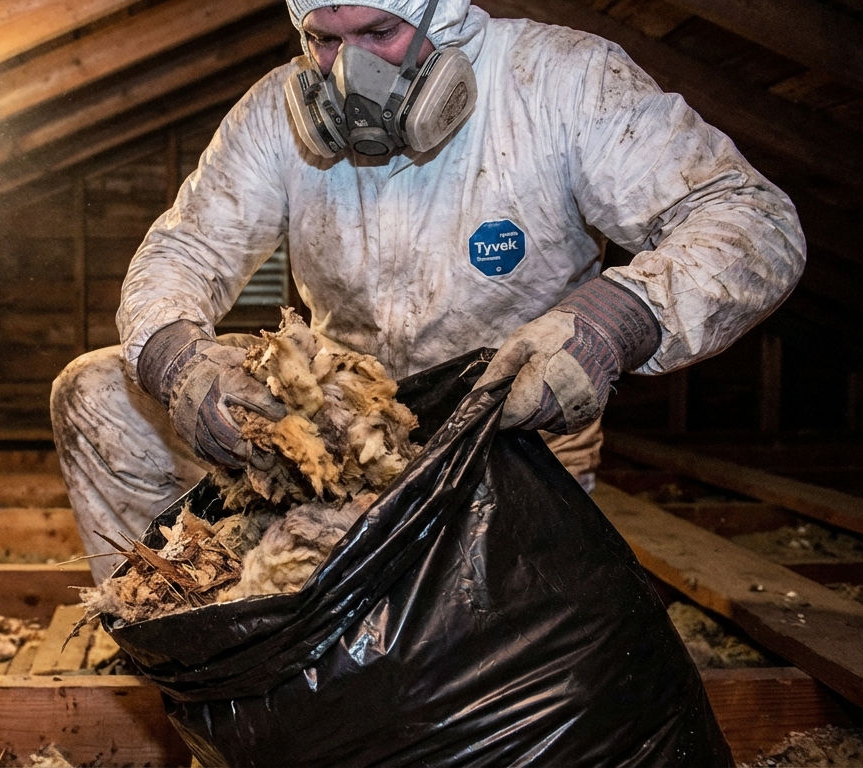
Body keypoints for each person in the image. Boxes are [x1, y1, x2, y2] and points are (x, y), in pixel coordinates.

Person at [52, 0, 805, 582]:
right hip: (335, 439)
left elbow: (751, 219)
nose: (349, 73)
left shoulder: (561, 83)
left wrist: (615, 322)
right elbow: (186, 247)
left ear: (444, 15)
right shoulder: (272, 117)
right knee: (97, 392)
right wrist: (181, 360)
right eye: (325, 39)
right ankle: (185, 636)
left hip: (510, 443)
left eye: (378, 34)